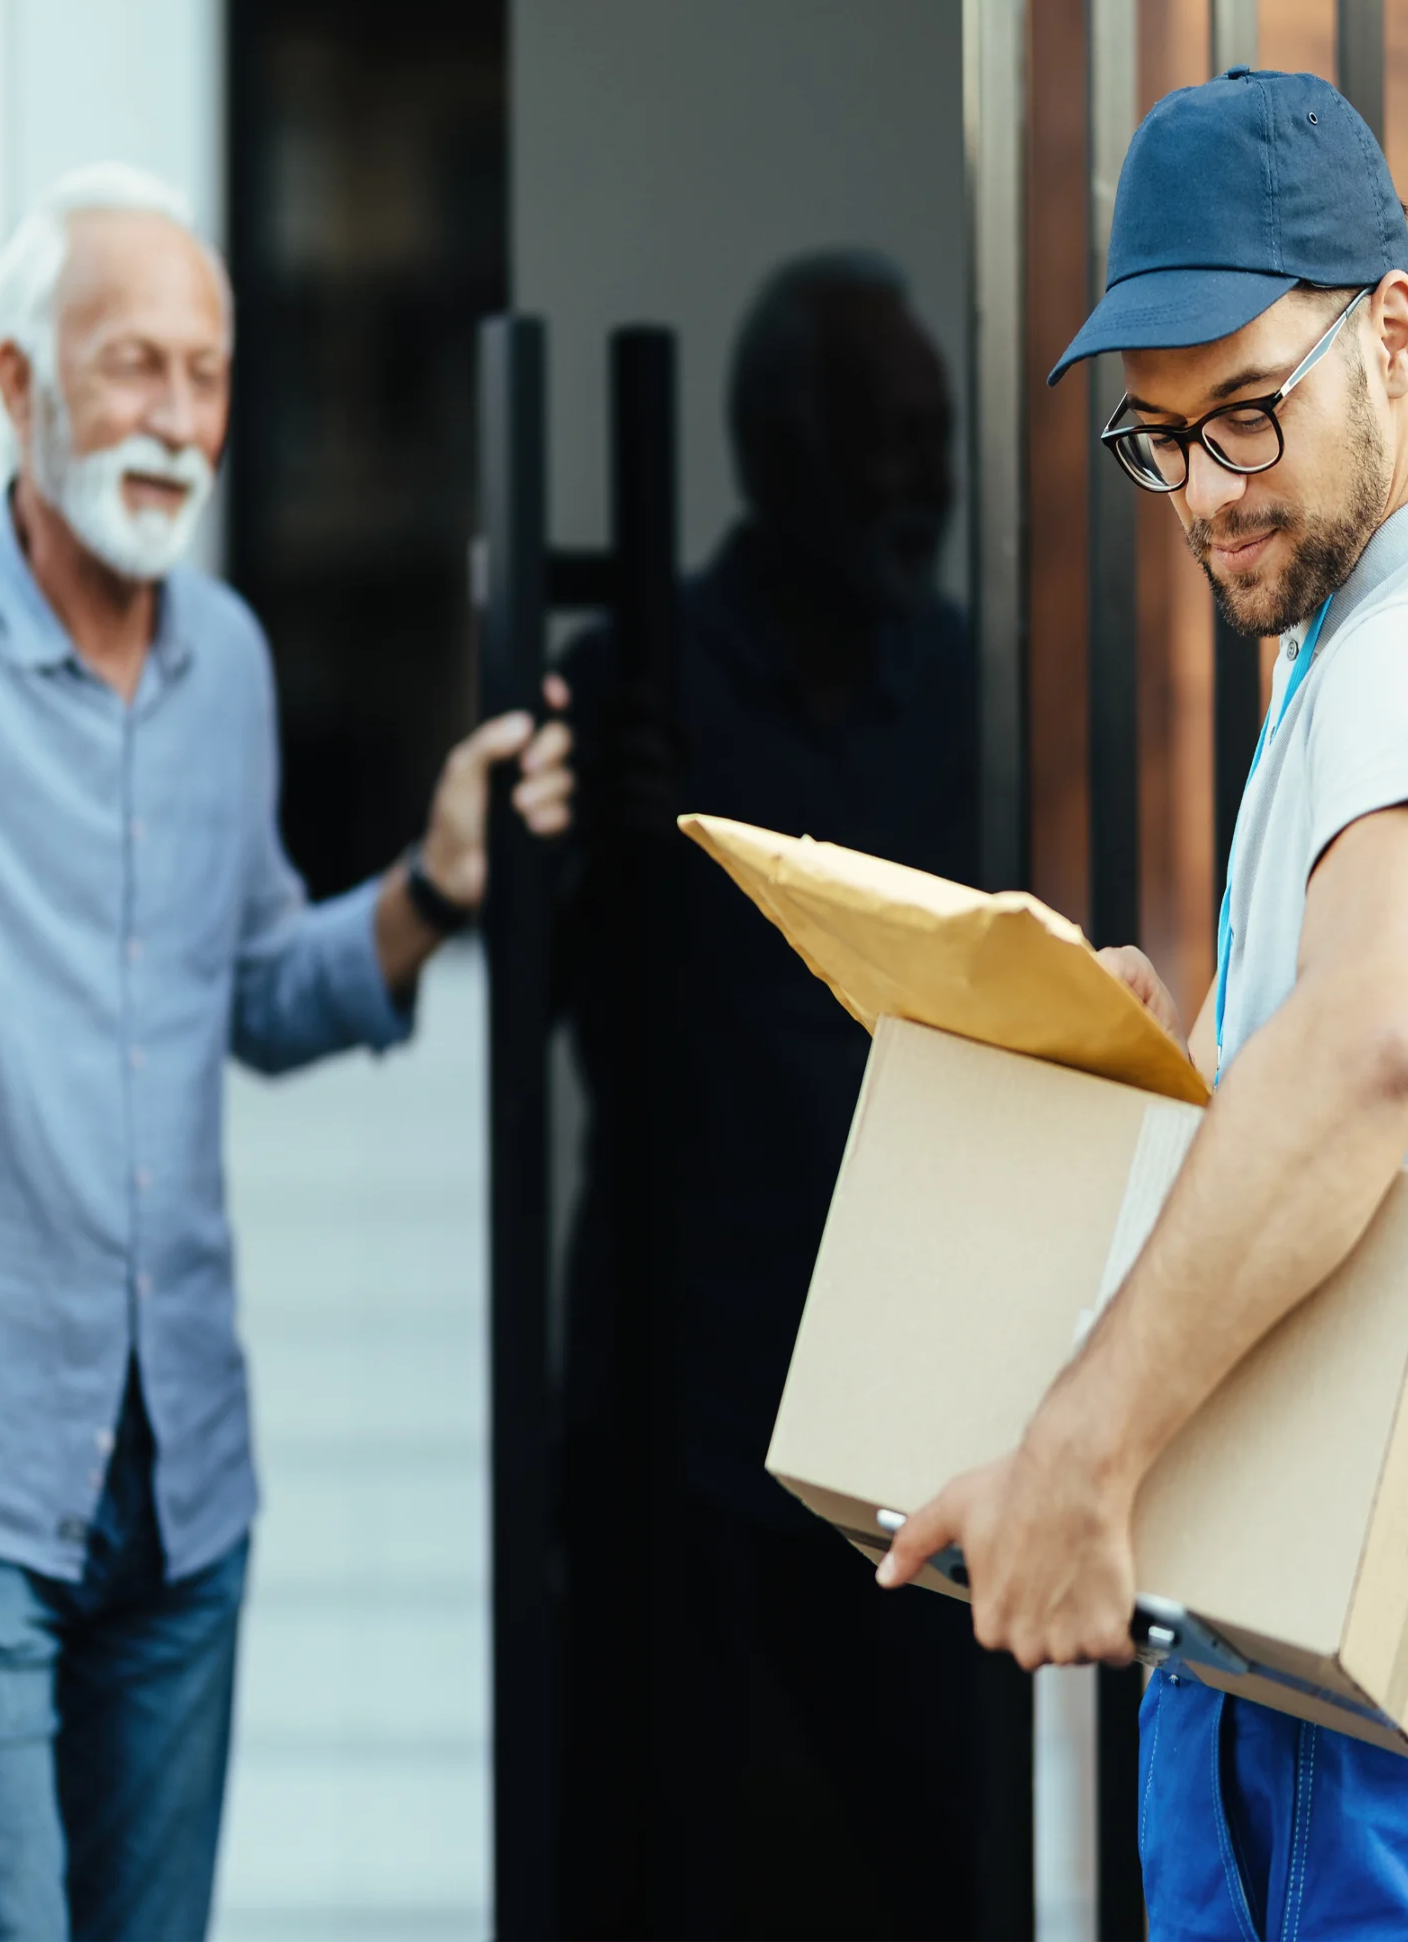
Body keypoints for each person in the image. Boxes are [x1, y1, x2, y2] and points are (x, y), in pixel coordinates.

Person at [878, 69, 1408, 1938]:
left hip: (1369, 1735)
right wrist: (1156, 1062)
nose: (1204, 491)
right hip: (1293, 1691)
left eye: (1248, 419)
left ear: (1394, 331)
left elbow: (1371, 1051)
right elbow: (1325, 1077)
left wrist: (1081, 1455)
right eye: (1158, 441)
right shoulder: (1354, 665)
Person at [0, 164, 572, 1942]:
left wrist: (431, 884)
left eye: (207, 374)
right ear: (21, 390)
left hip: (183, 1475)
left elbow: (254, 990)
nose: (179, 421)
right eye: (133, 369)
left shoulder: (234, 664)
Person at [555, 253, 985, 1936]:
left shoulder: (968, 686)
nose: (931, 482)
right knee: (655, 1868)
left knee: (932, 1857)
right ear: (773, 451)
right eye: (894, 439)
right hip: (677, 1395)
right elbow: (549, 1006)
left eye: (938, 439)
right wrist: (593, 845)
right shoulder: (633, 680)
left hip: (905, 1410)